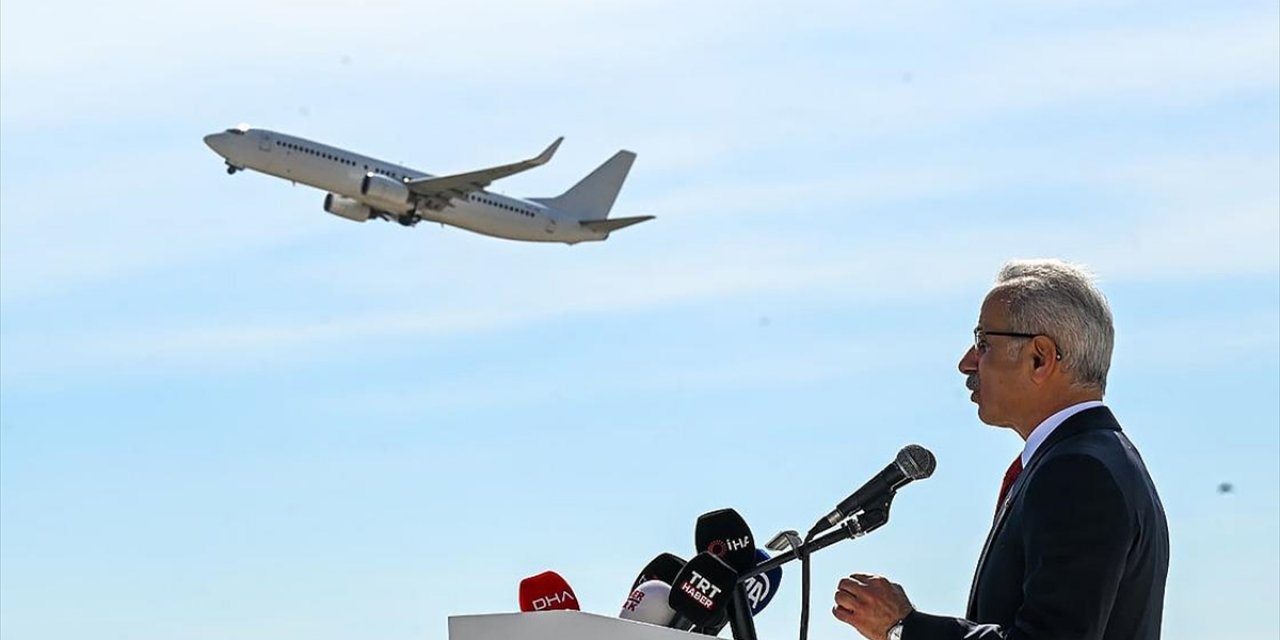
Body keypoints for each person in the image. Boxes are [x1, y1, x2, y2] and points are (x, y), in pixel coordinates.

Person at [833, 259, 1169, 640]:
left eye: (983, 343)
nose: (966, 363)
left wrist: (904, 627)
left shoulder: (1079, 472)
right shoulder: (1098, 460)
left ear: (1040, 357)